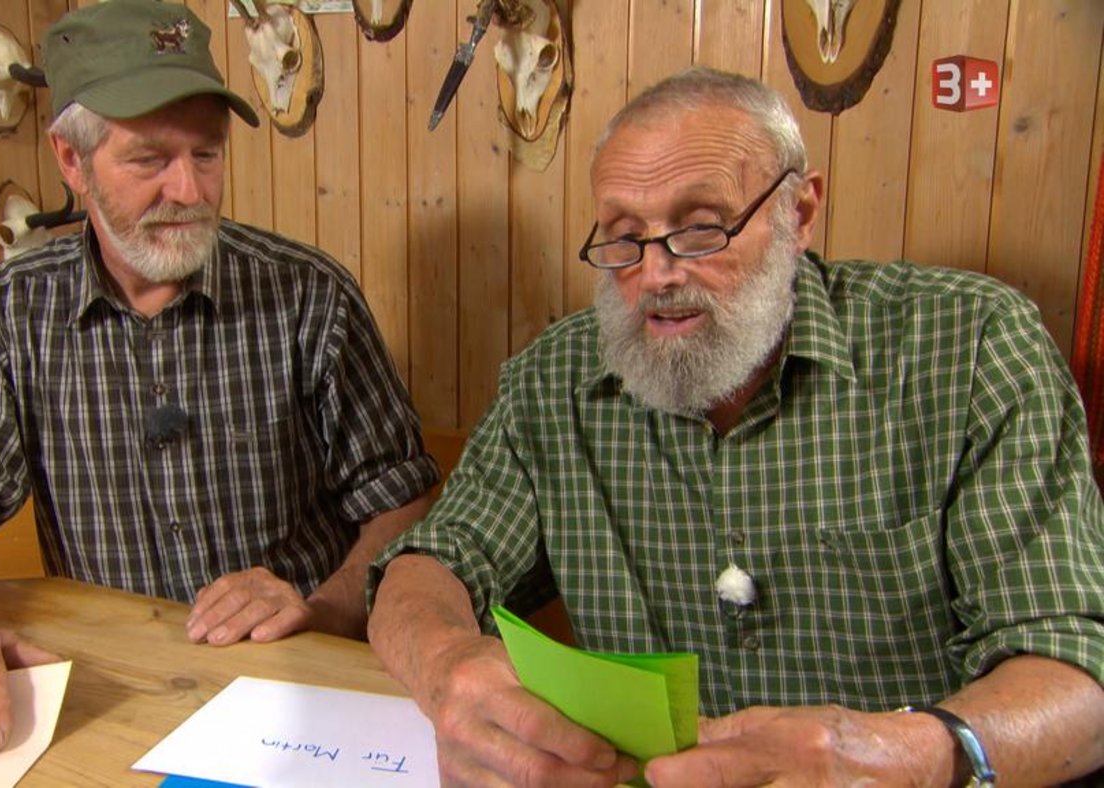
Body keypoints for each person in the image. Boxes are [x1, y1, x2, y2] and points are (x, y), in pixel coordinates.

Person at [368, 66, 1104, 787]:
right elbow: (431, 563)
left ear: (800, 214)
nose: (656, 274)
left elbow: (1077, 673)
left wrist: (901, 754)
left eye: (699, 228)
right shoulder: (551, 383)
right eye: (623, 237)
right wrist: (447, 667)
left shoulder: (967, 347)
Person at [0, 0, 436, 778]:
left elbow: (407, 505)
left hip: (306, 692)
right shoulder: (8, 311)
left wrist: (322, 607)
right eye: (149, 160)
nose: (189, 189)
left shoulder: (309, 297)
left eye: (207, 154)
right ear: (70, 160)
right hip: (116, 698)